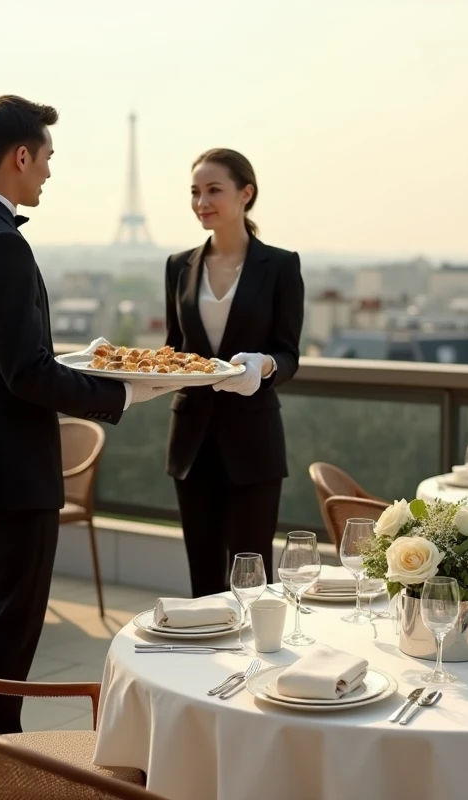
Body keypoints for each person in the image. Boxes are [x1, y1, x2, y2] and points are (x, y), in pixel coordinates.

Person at [0, 95, 169, 733]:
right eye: (47, 157)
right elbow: (25, 373)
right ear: (20, 156)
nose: (50, 172)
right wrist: (123, 393)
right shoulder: (1, 246)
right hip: (13, 468)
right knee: (14, 619)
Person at [165, 149, 305, 597]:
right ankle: (202, 665)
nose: (201, 201)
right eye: (195, 192)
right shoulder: (177, 266)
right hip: (192, 441)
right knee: (202, 578)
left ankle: (255, 666)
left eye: (213, 190)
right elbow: (176, 351)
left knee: (251, 578)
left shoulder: (281, 266)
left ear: (246, 194)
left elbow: (288, 354)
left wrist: (264, 365)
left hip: (254, 442)